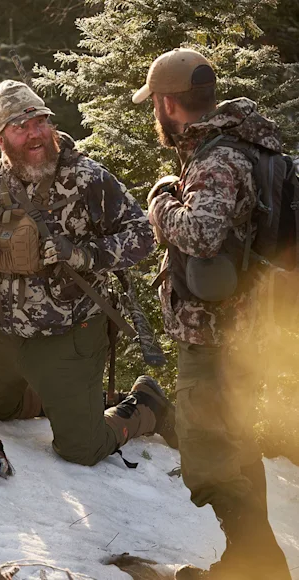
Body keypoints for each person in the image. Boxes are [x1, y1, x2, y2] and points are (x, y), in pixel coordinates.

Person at [0, 79, 174, 468]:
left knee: (80, 449)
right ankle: (58, 395)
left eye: (40, 122)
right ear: (1, 138)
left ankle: (146, 403)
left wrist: (84, 255)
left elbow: (143, 235)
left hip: (71, 334)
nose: (35, 134)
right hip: (4, 335)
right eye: (20, 127)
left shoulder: (86, 179)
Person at [138, 48, 291, 579]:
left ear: (167, 103)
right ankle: (254, 563)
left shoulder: (217, 159)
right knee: (238, 442)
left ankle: (255, 564)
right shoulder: (239, 145)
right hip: (241, 327)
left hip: (216, 334)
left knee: (207, 451)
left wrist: (159, 201)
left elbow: (201, 234)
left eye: (153, 104)